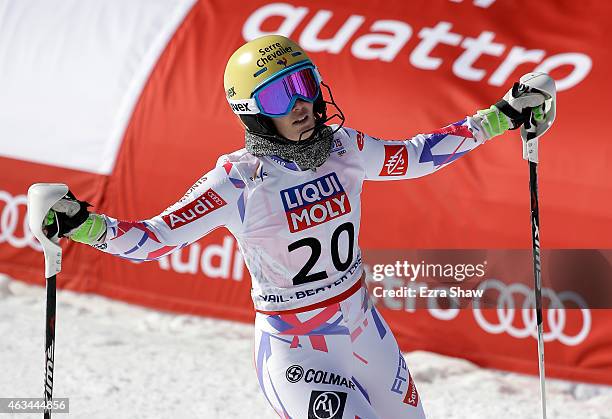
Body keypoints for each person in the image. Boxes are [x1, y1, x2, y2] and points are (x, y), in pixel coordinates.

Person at [43, 35, 547, 419]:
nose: (302, 104)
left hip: (363, 331)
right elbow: (152, 241)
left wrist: (499, 117)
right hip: (297, 351)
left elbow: (416, 157)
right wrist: (81, 224)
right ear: (254, 113)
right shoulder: (238, 180)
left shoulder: (344, 147)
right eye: (282, 96)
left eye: (305, 85)